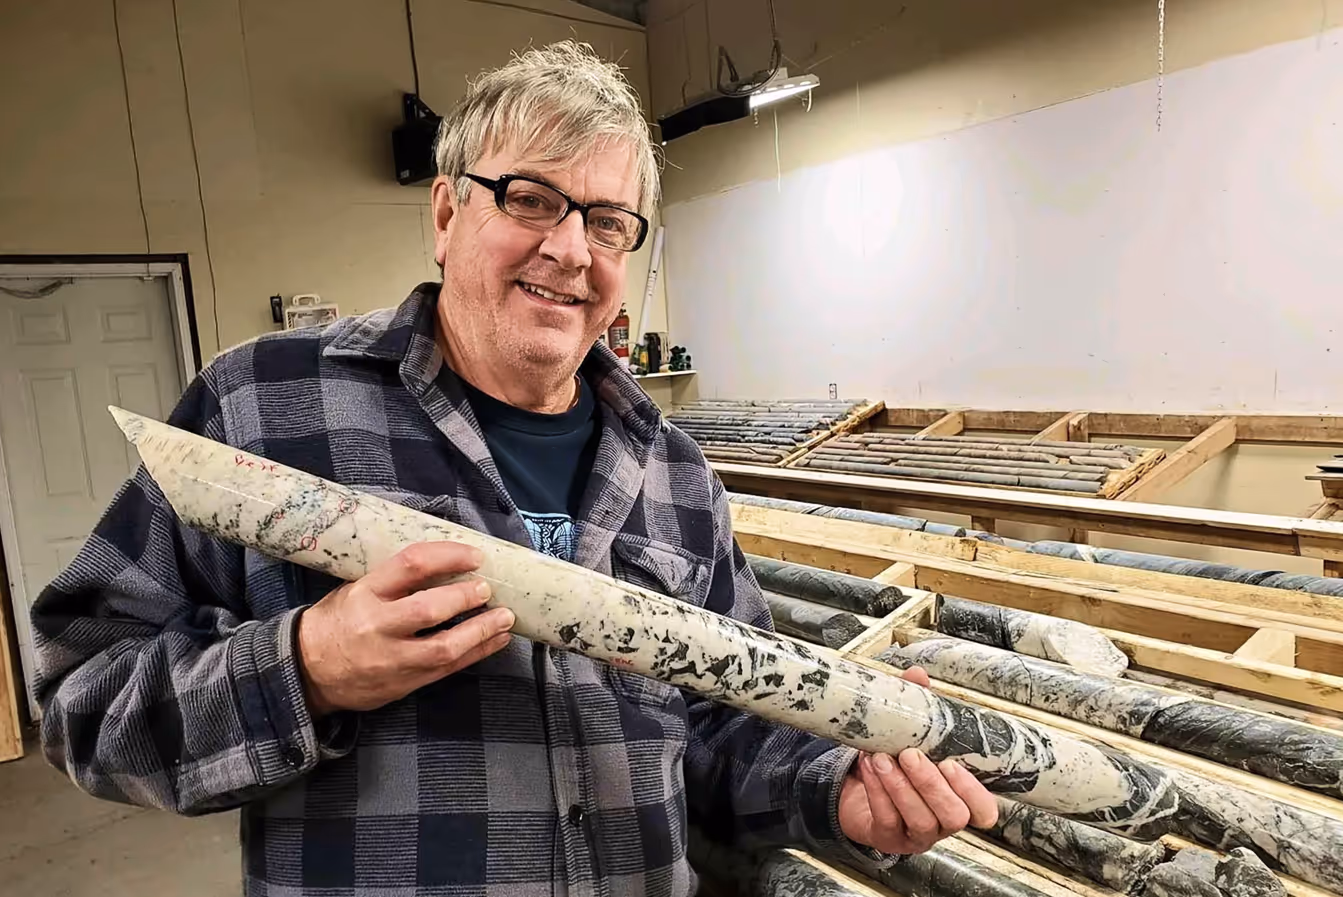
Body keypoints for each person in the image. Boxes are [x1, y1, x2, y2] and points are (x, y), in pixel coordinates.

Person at [30, 40, 996, 896]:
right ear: (446, 213)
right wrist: (306, 668)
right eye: (531, 198)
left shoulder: (675, 476)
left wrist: (836, 788)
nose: (570, 249)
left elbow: (717, 735)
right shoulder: (264, 407)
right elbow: (84, 700)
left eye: (609, 221)